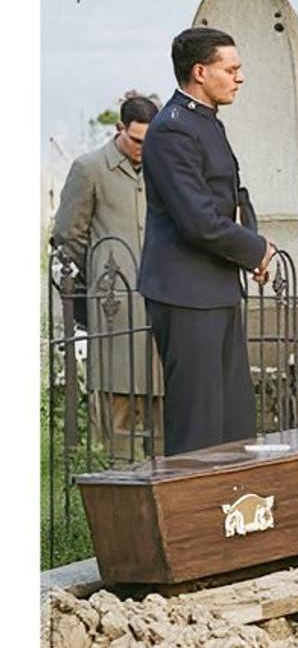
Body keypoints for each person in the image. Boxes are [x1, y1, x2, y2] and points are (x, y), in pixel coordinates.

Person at [138, 27, 277, 456]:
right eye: (230, 69)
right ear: (200, 71)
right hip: (185, 291)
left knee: (232, 417)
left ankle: (230, 513)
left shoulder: (205, 122)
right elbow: (198, 220)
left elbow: (234, 195)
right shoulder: (171, 130)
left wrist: (253, 243)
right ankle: (191, 518)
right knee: (199, 423)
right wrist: (255, 249)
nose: (239, 78)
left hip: (215, 287)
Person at [51, 94, 165, 457]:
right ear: (119, 129)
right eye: (136, 141)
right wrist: (99, 278)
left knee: (163, 395)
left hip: (161, 296)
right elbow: (70, 235)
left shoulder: (162, 167)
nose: (142, 150)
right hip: (113, 301)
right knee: (119, 391)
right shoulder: (89, 168)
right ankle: (120, 480)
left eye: (151, 141)